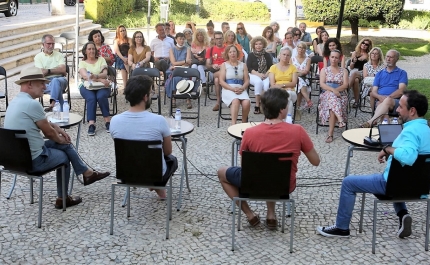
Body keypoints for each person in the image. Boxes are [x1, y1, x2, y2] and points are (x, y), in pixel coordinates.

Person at [317, 90, 430, 238]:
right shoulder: (426, 130)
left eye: (400, 107)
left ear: (412, 111)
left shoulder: (410, 132)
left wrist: (388, 148)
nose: (396, 110)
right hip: (419, 187)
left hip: (391, 185)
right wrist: (389, 150)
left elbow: (409, 157)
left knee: (348, 183)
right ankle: (403, 215)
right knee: (400, 177)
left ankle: (341, 228)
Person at [4, 67, 110, 209]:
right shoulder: (33, 104)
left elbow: (43, 122)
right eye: (41, 83)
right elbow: (48, 134)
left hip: (12, 159)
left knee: (62, 145)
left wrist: (57, 128)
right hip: (32, 161)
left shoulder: (14, 102)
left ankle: (87, 173)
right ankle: (63, 197)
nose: (45, 86)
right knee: (63, 155)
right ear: (29, 84)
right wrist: (61, 139)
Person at [217, 88, 320, 229]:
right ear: (282, 110)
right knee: (272, 173)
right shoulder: (298, 131)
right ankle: (271, 215)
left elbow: (245, 167)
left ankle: (249, 214)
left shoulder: (249, 133)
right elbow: (316, 162)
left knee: (222, 172)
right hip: (284, 185)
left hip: (253, 184)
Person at [110, 75, 178, 200]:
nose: (151, 95)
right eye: (151, 92)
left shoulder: (114, 121)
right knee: (172, 160)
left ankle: (157, 188)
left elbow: (126, 149)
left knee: (139, 155)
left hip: (127, 173)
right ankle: (156, 186)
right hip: (155, 174)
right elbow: (167, 152)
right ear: (145, 97)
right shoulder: (159, 120)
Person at [360, 50, 408, 128]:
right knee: (382, 108)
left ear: (396, 59)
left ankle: (371, 122)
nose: (388, 59)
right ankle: (386, 134)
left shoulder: (402, 73)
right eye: (387, 57)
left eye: (391, 57)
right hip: (380, 101)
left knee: (387, 101)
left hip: (395, 102)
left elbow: (401, 91)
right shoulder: (379, 74)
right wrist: (379, 97)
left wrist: (388, 98)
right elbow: (374, 91)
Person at [79, 42, 112, 136]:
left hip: (102, 86)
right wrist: (100, 79)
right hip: (87, 86)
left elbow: (105, 73)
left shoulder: (101, 60)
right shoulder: (82, 63)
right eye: (89, 49)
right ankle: (91, 124)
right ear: (85, 51)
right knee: (91, 98)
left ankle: (107, 121)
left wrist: (96, 77)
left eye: (93, 49)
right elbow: (86, 76)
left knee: (101, 96)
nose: (92, 51)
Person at [318, 49, 349, 143]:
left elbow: (345, 85)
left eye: (336, 57)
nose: (334, 59)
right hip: (326, 94)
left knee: (332, 108)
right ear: (329, 58)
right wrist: (332, 90)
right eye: (332, 57)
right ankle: (340, 119)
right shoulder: (324, 70)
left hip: (341, 95)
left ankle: (330, 134)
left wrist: (335, 91)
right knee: (331, 98)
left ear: (339, 59)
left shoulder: (344, 71)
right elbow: (322, 84)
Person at [34, 34, 68, 112]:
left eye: (53, 43)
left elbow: (63, 70)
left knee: (56, 81)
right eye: (49, 43)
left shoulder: (59, 55)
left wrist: (48, 71)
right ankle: (59, 109)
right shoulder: (38, 57)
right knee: (56, 87)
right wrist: (56, 69)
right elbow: (41, 73)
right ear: (43, 44)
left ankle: (52, 104)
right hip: (45, 82)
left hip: (60, 79)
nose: (51, 46)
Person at [219, 45, 250, 125]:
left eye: (234, 51)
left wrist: (243, 88)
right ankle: (233, 124)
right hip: (228, 88)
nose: (232, 54)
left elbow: (247, 81)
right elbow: (221, 81)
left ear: (237, 53)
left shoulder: (243, 65)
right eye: (230, 52)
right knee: (235, 101)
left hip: (240, 88)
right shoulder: (224, 65)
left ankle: (243, 123)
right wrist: (232, 89)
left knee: (246, 102)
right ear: (227, 54)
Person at [268, 47, 298, 118]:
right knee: (288, 98)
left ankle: (280, 117)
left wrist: (282, 85)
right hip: (277, 91)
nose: (285, 56)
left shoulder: (293, 68)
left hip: (291, 91)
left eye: (288, 55)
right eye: (284, 54)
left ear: (290, 57)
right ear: (280, 55)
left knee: (289, 94)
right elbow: (272, 84)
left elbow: (294, 83)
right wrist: (283, 88)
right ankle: (288, 118)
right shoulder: (273, 67)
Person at [246, 36, 273, 114]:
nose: (258, 46)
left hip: (265, 74)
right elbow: (249, 68)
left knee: (266, 85)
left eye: (260, 44)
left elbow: (271, 67)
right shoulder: (251, 55)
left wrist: (265, 74)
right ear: (253, 45)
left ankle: (264, 104)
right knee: (258, 82)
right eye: (256, 44)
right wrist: (258, 74)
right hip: (253, 74)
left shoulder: (267, 55)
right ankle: (257, 105)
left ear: (263, 45)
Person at [166, 33, 193, 109]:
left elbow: (189, 63)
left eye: (183, 39)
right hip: (175, 70)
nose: (182, 40)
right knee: (174, 77)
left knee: (186, 78)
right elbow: (173, 62)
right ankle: (174, 97)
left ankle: (187, 98)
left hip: (184, 69)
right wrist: (184, 61)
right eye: (180, 39)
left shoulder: (187, 49)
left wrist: (180, 64)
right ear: (176, 39)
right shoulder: (172, 50)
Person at [206, 31, 226, 111]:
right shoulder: (210, 50)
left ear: (223, 39)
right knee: (216, 78)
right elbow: (207, 65)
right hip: (214, 71)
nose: (219, 40)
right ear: (214, 39)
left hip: (226, 70)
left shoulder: (227, 49)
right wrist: (212, 65)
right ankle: (224, 99)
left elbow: (233, 61)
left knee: (217, 80)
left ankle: (218, 102)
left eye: (220, 38)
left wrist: (223, 65)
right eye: (217, 39)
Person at [291, 42, 312, 121]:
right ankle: (305, 101)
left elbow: (306, 71)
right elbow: (291, 71)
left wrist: (297, 73)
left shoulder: (308, 59)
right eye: (299, 47)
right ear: (297, 48)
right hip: (293, 79)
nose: (301, 49)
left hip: (304, 78)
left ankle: (297, 108)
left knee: (299, 83)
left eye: (303, 48)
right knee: (299, 82)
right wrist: (298, 73)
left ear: (305, 50)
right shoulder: (292, 59)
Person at [350, 38, 373, 107]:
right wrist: (353, 61)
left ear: (368, 46)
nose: (364, 45)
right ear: (360, 43)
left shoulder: (369, 55)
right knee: (356, 80)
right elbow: (351, 67)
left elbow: (369, 67)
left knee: (355, 75)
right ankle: (357, 102)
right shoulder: (355, 53)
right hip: (354, 71)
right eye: (363, 43)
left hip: (363, 72)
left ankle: (346, 89)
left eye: (366, 44)